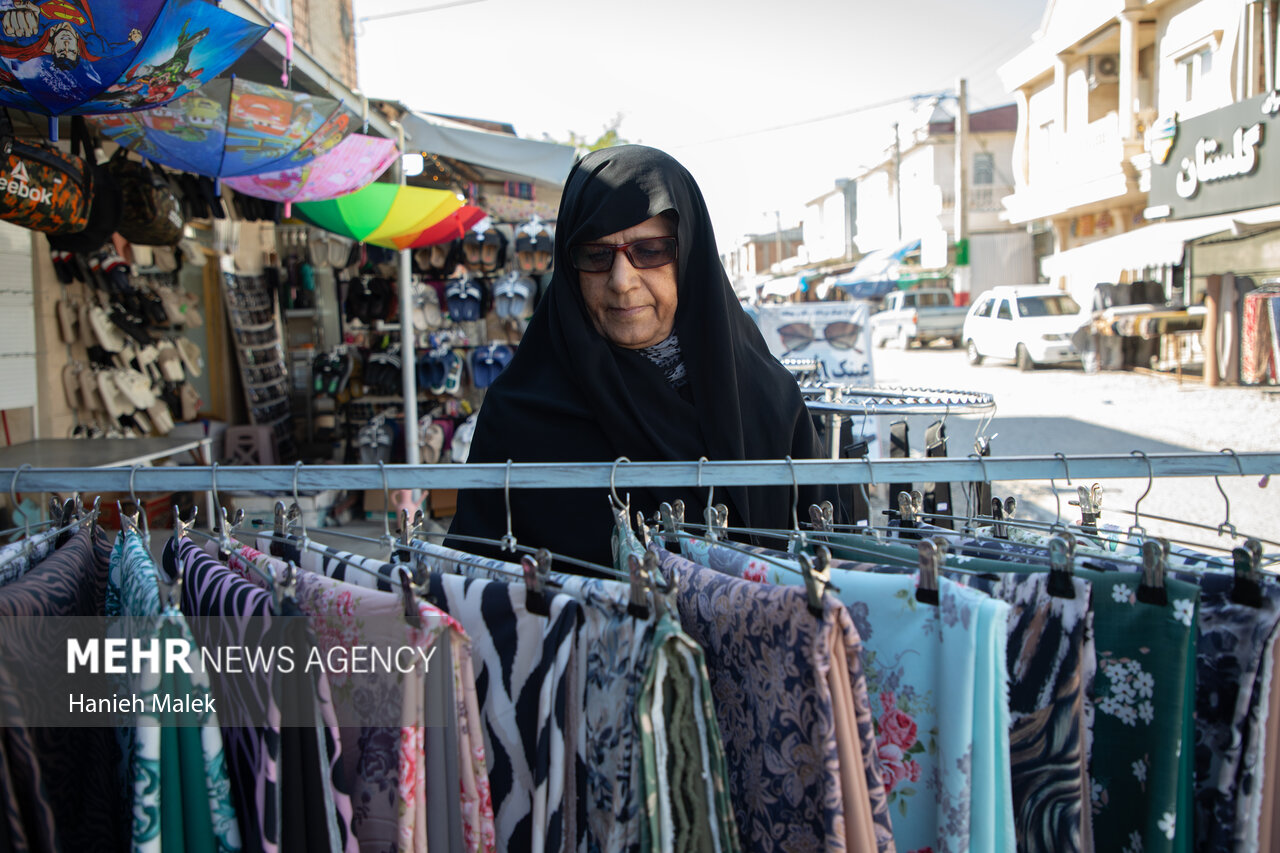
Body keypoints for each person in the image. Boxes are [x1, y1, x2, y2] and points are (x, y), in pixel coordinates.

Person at [446, 145, 839, 568]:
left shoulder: (766, 399)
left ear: (689, 254)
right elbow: (478, 586)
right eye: (595, 255)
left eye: (649, 251)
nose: (621, 281)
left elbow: (828, 556)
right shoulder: (521, 415)